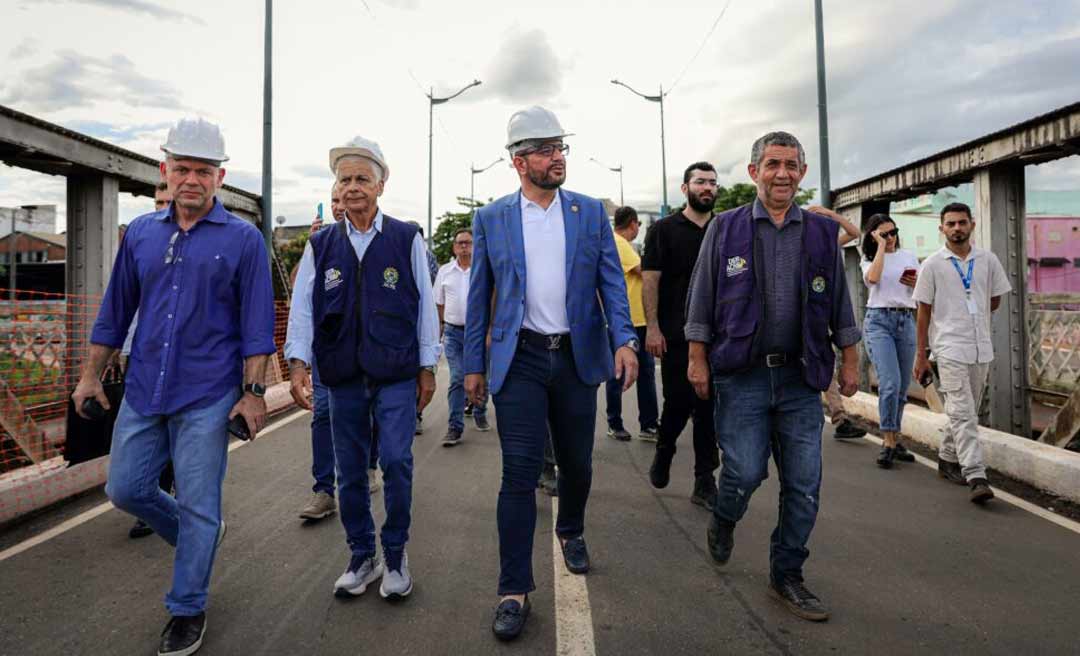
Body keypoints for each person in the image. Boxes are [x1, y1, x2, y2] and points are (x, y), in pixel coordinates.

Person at [73, 117, 276, 656]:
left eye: (203, 170)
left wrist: (253, 394)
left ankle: (187, 608)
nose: (191, 179)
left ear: (219, 176)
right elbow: (115, 311)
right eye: (181, 168)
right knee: (126, 489)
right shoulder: (141, 233)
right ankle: (198, 536)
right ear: (165, 170)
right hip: (143, 389)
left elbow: (258, 324)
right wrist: (91, 373)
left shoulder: (244, 240)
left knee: (201, 504)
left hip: (207, 395)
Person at [464, 106, 638, 641]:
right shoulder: (492, 218)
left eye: (560, 147)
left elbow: (611, 281)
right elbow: (479, 299)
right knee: (517, 475)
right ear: (519, 162)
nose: (557, 157)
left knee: (577, 466)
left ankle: (571, 528)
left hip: (575, 358)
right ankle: (513, 589)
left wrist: (625, 339)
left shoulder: (588, 213)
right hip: (518, 358)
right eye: (545, 150)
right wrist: (473, 364)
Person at [685, 131, 861, 622]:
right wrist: (696, 358)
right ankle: (724, 517)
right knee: (742, 472)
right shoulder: (726, 227)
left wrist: (849, 360)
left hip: (801, 379)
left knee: (804, 485)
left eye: (790, 165)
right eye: (772, 164)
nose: (782, 173)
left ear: (802, 174)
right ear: (754, 172)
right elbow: (701, 296)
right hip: (741, 376)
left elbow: (841, 302)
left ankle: (787, 574)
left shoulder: (822, 234)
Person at [286, 137, 440, 602]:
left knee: (395, 461)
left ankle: (395, 553)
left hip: (394, 372)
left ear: (381, 185)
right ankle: (361, 555)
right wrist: (297, 362)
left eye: (361, 179)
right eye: (344, 179)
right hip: (342, 375)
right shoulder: (321, 245)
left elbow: (425, 309)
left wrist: (427, 365)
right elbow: (303, 309)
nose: (352, 188)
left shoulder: (405, 237)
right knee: (349, 473)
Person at [913, 202, 1010, 504]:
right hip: (949, 346)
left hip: (981, 348)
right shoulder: (932, 265)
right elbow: (923, 312)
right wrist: (921, 354)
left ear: (972, 225)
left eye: (962, 223)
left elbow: (993, 301)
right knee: (965, 413)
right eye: (951, 223)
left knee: (964, 411)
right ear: (941, 228)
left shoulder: (988, 260)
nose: (957, 228)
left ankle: (946, 458)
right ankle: (976, 475)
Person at [642, 162, 721, 509]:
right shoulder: (663, 230)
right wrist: (653, 328)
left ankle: (705, 480)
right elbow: (650, 280)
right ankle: (665, 449)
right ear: (685, 188)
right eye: (700, 182)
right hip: (676, 333)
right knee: (678, 402)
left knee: (709, 408)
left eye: (712, 183)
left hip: (719, 336)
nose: (707, 188)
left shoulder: (724, 228)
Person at [125, 181, 177, 540]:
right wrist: (121, 349)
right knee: (147, 435)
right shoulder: (141, 239)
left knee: (176, 433)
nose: (161, 207)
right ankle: (152, 498)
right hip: (141, 358)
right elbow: (127, 302)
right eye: (157, 201)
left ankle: (175, 503)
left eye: (166, 202)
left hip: (181, 362)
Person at [804, 204, 871, 441]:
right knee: (822, 361)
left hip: (834, 307)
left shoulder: (829, 244)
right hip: (814, 310)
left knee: (827, 360)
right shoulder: (801, 246)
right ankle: (839, 415)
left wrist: (832, 216)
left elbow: (855, 234)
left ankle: (839, 415)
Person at [859, 214, 920, 468]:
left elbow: (920, 292)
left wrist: (917, 283)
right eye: (884, 234)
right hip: (879, 321)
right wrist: (882, 247)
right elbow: (872, 280)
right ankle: (887, 441)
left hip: (905, 320)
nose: (891, 237)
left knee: (902, 386)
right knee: (890, 382)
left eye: (893, 232)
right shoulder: (868, 260)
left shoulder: (908, 257)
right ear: (874, 236)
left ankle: (895, 437)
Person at [604, 206, 659, 442]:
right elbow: (644, 271)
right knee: (618, 372)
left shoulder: (619, 243)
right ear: (634, 224)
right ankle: (615, 422)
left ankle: (648, 424)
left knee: (645, 372)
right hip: (626, 321)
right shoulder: (619, 243)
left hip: (638, 319)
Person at [434, 227, 491, 446]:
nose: (464, 246)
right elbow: (439, 303)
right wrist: (439, 329)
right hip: (453, 332)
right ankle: (455, 427)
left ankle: (480, 411)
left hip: (478, 333)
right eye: (460, 243)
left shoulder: (483, 271)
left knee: (481, 376)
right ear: (454, 247)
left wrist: (489, 330)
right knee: (457, 377)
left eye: (468, 242)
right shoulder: (445, 272)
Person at [407, 221, 439, 435]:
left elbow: (432, 290)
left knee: (421, 371)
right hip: (403, 323)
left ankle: (416, 414)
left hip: (423, 321)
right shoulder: (394, 252)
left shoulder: (429, 259)